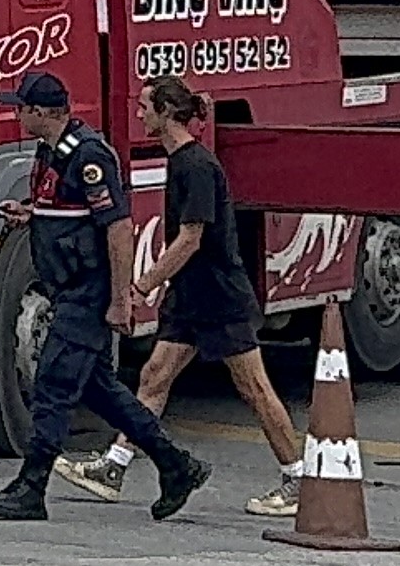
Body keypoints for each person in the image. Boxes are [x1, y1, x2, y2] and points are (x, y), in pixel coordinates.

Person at [60, 76, 308, 517]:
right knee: (154, 376)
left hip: (218, 296)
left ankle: (296, 478)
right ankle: (114, 466)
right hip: (191, 295)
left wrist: (143, 284)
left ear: (167, 114)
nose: (138, 114)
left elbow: (191, 239)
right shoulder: (179, 161)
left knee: (253, 387)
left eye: (144, 107)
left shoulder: (196, 167)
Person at [0, 70, 207, 522]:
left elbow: (118, 229)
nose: (18, 115)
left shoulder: (88, 156)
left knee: (52, 385)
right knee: (101, 392)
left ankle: (31, 485)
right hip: (68, 288)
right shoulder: (51, 153)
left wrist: (120, 299)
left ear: (42, 113)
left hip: (87, 291)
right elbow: (67, 214)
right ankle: (176, 465)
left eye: (22, 108)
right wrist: (31, 214)